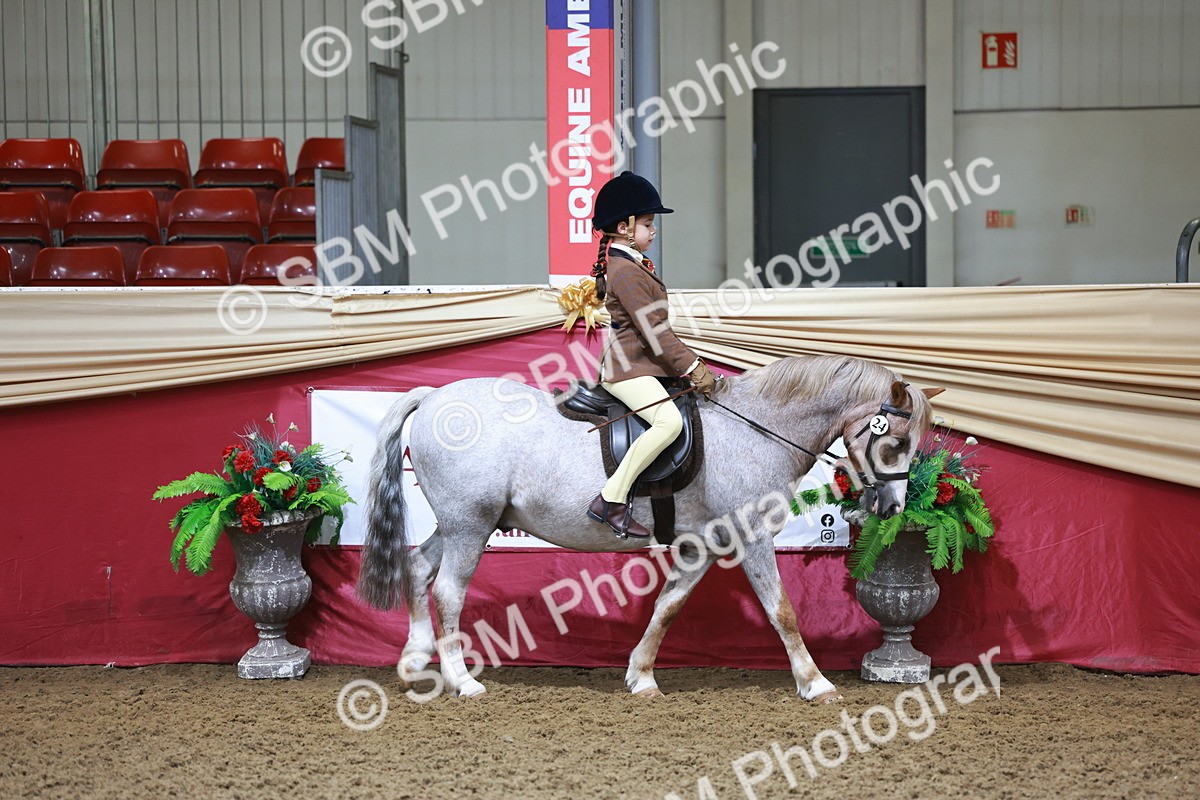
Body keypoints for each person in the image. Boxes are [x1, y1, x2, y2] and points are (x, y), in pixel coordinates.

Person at [585, 171, 717, 538]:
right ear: (624, 228)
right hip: (626, 368)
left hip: (642, 364)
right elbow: (654, 331)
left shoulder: (631, 263)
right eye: (647, 223)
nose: (653, 230)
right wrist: (692, 366)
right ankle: (610, 499)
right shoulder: (626, 272)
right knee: (668, 423)